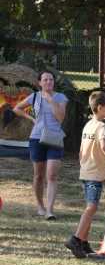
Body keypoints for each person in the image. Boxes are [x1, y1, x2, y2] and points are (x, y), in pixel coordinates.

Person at [65, 91, 105, 258]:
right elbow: (104, 146)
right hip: (94, 175)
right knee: (91, 208)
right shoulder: (102, 127)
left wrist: (83, 164)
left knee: (89, 208)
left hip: (85, 172)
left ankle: (83, 243)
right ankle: (75, 239)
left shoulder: (88, 125)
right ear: (100, 108)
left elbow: (81, 150)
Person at [14, 70, 68, 220]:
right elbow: (16, 108)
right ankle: (40, 206)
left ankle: (50, 210)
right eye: (45, 80)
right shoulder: (34, 96)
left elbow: (60, 118)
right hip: (36, 138)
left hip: (54, 138)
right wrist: (30, 119)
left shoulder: (60, 97)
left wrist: (51, 101)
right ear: (40, 82)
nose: (48, 82)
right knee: (38, 175)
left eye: (51, 79)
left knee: (51, 175)